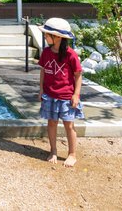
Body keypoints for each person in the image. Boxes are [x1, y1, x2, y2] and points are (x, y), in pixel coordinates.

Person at [38, 17, 84, 168]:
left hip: (66, 97)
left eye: (47, 34)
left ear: (57, 37)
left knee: (68, 125)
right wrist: (41, 90)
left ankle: (72, 154)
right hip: (50, 95)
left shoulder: (71, 55)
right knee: (51, 123)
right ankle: (53, 151)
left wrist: (76, 94)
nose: (45, 36)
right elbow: (43, 71)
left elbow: (78, 75)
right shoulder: (46, 53)